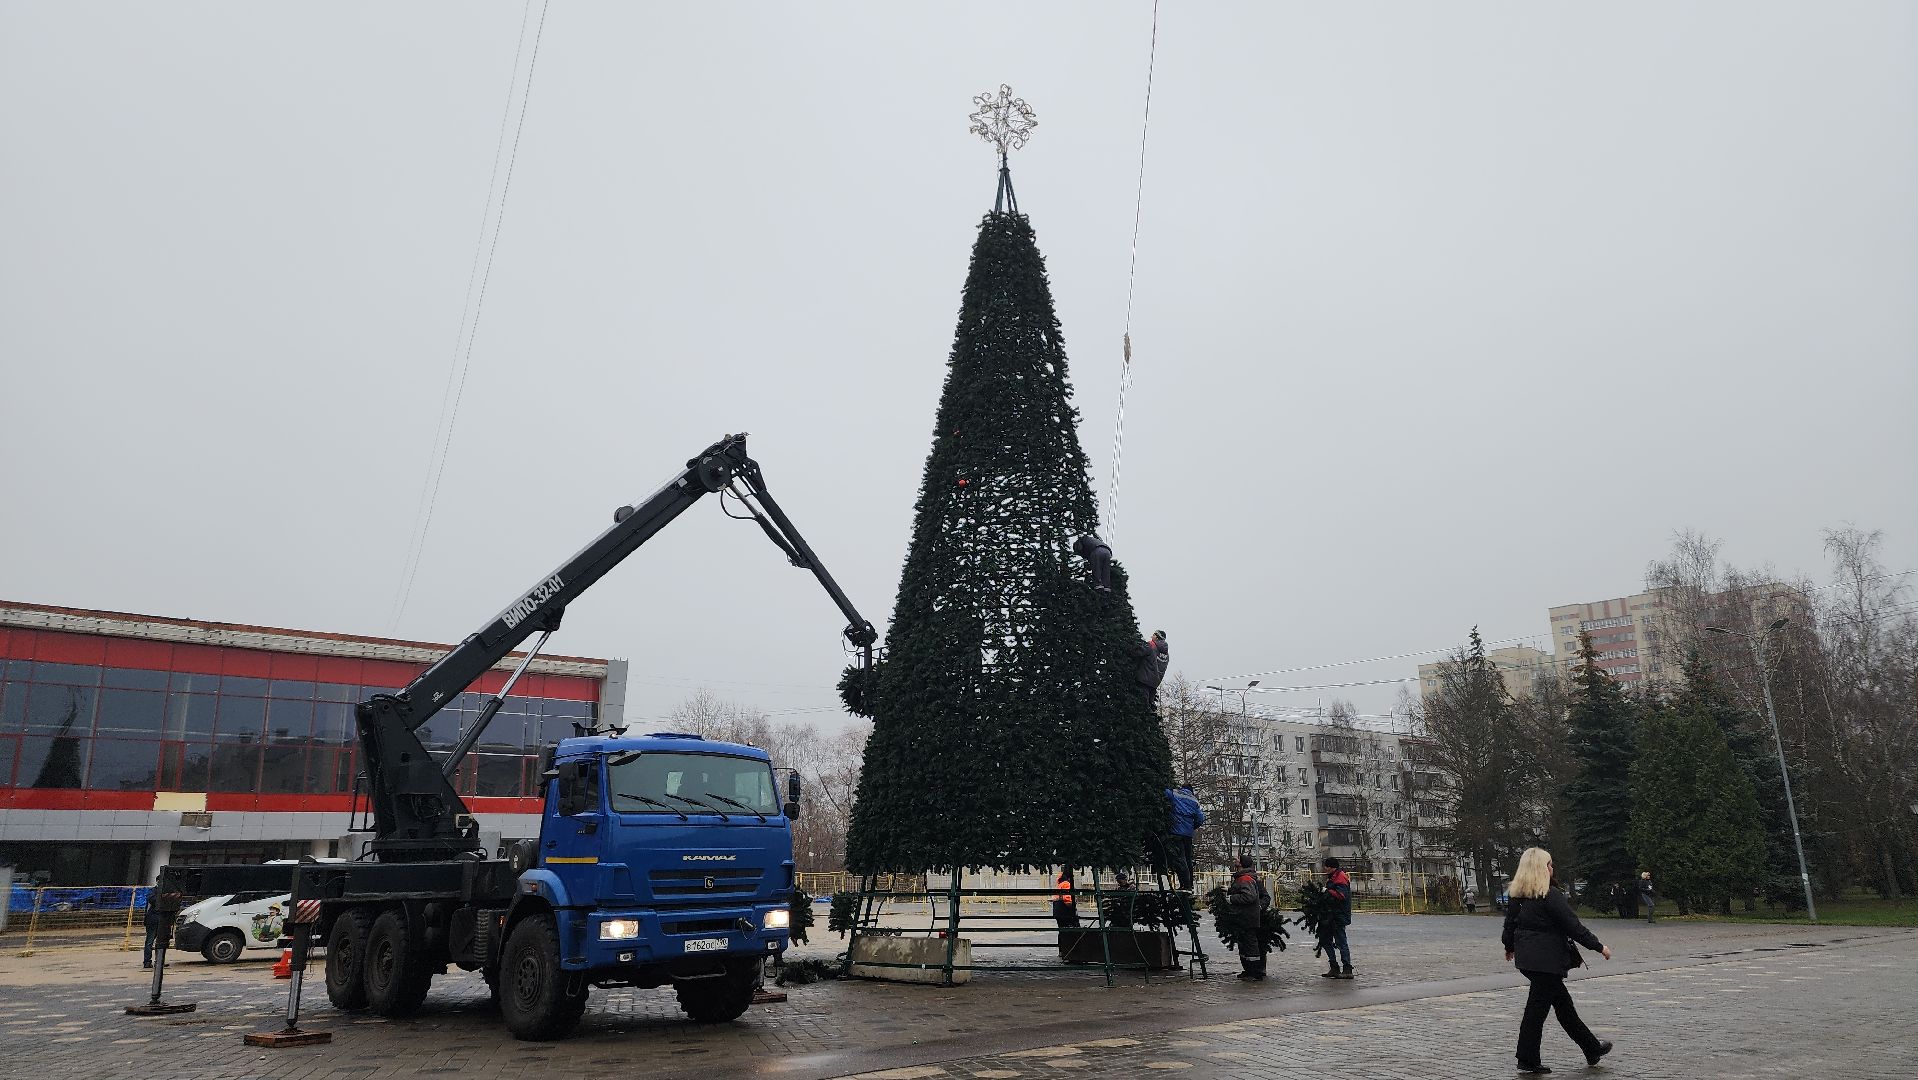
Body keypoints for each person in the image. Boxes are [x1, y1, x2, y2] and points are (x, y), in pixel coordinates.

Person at [1502, 847, 1614, 1074]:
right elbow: (1573, 926)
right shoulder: (1549, 895)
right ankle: (1527, 1059)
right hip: (1546, 962)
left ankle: (1591, 1048)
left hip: (1528, 961)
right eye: (1549, 864)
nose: (1552, 868)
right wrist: (1599, 946)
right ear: (1541, 869)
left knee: (1563, 1006)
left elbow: (1510, 924)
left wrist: (1509, 946)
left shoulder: (1517, 896)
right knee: (1537, 1011)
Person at [1227, 854, 1271, 980]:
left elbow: (1259, 897)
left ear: (1241, 864)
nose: (1234, 860)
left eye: (1237, 859)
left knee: (1251, 944)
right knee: (1244, 944)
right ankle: (1248, 970)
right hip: (1242, 916)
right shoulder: (1241, 877)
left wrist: (1258, 908)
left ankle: (1255, 972)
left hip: (1248, 916)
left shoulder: (1248, 878)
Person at [1164, 785, 1205, 890]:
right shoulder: (1194, 800)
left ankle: (1185, 885)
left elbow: (1165, 792)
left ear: (1182, 788)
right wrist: (1192, 827)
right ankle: (1189, 884)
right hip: (1188, 834)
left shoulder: (1175, 793)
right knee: (1188, 859)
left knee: (1180, 859)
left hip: (1176, 832)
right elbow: (1200, 818)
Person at [1320, 856, 1354, 979]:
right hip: (1331, 915)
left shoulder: (1340, 878)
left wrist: (1327, 892)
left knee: (1341, 941)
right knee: (1325, 940)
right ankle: (1334, 967)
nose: (1324, 869)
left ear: (1331, 867)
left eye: (1326, 866)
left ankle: (1347, 968)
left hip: (1338, 915)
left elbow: (1341, 895)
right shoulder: (1334, 877)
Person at [1130, 631, 1169, 699]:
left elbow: (1137, 652)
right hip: (1155, 684)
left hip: (1143, 681)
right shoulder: (1166, 654)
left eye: (1153, 635)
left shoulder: (1151, 645)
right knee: (1149, 706)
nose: (1151, 637)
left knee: (1141, 704)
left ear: (1157, 637)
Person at [141, 875, 167, 969]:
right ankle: (147, 961)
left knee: (160, 942)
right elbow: (153, 900)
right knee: (150, 942)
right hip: (152, 920)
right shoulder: (153, 891)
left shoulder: (164, 892)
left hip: (162, 920)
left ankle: (159, 961)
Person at [1052, 869, 1079, 957]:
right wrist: (1072, 908)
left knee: (1062, 931)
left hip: (1058, 911)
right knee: (1069, 931)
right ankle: (1069, 951)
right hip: (1065, 911)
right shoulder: (1066, 884)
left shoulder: (1059, 884)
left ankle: (1062, 951)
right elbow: (1067, 898)